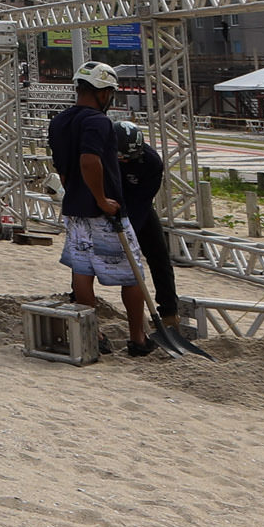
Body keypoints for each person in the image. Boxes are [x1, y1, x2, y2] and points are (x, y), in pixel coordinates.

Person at [48, 63, 152, 354]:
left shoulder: (58, 122)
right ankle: (138, 338)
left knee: (82, 272)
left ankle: (91, 334)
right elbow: (89, 161)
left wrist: (80, 195)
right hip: (103, 213)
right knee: (133, 274)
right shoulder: (98, 121)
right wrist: (101, 199)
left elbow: (63, 169)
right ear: (103, 92)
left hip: (75, 210)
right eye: (110, 92)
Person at [118, 127, 185, 330]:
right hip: (108, 204)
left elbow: (142, 201)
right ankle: (78, 297)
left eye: (130, 158)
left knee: (159, 256)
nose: (127, 162)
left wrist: (131, 232)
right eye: (123, 158)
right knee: (87, 258)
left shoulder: (152, 162)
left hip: (139, 206)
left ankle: (169, 313)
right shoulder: (104, 155)